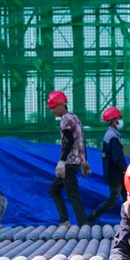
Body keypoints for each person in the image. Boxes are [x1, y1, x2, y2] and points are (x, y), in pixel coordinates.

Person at [46, 90, 91, 226]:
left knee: (73, 194)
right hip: (75, 162)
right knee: (55, 189)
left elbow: (70, 140)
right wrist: (84, 161)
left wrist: (62, 161)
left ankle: (82, 223)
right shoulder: (75, 118)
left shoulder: (65, 119)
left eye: (54, 107)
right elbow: (81, 140)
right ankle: (64, 220)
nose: (52, 110)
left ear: (62, 105)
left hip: (69, 163)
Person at [86, 106, 128, 224]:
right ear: (113, 120)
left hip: (116, 173)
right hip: (116, 174)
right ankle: (91, 217)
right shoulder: (112, 136)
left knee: (127, 197)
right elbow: (117, 157)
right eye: (118, 118)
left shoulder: (112, 134)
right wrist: (124, 169)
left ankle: (129, 220)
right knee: (113, 200)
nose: (120, 120)